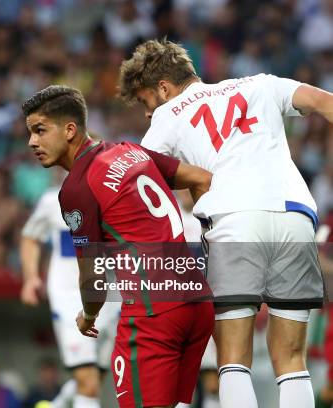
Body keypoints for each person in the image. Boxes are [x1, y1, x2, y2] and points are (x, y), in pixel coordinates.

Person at [119, 38, 333, 408]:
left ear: (164, 88)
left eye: (144, 101)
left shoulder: (168, 115)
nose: (145, 112)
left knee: (233, 359)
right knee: (292, 359)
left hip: (234, 221)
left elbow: (141, 177)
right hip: (296, 215)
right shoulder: (260, 83)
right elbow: (323, 101)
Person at [22, 85, 214, 408]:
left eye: (40, 130)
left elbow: (93, 279)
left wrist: (88, 316)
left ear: (70, 130)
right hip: (197, 301)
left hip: (153, 312)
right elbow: (203, 179)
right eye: (30, 133)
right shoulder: (131, 150)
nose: (32, 142)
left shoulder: (77, 188)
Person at [20, 168, 119, 408]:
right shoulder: (52, 201)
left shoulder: (116, 199)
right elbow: (30, 237)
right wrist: (31, 277)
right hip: (69, 298)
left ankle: (58, 404)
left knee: (96, 377)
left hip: (112, 298)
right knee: (88, 382)